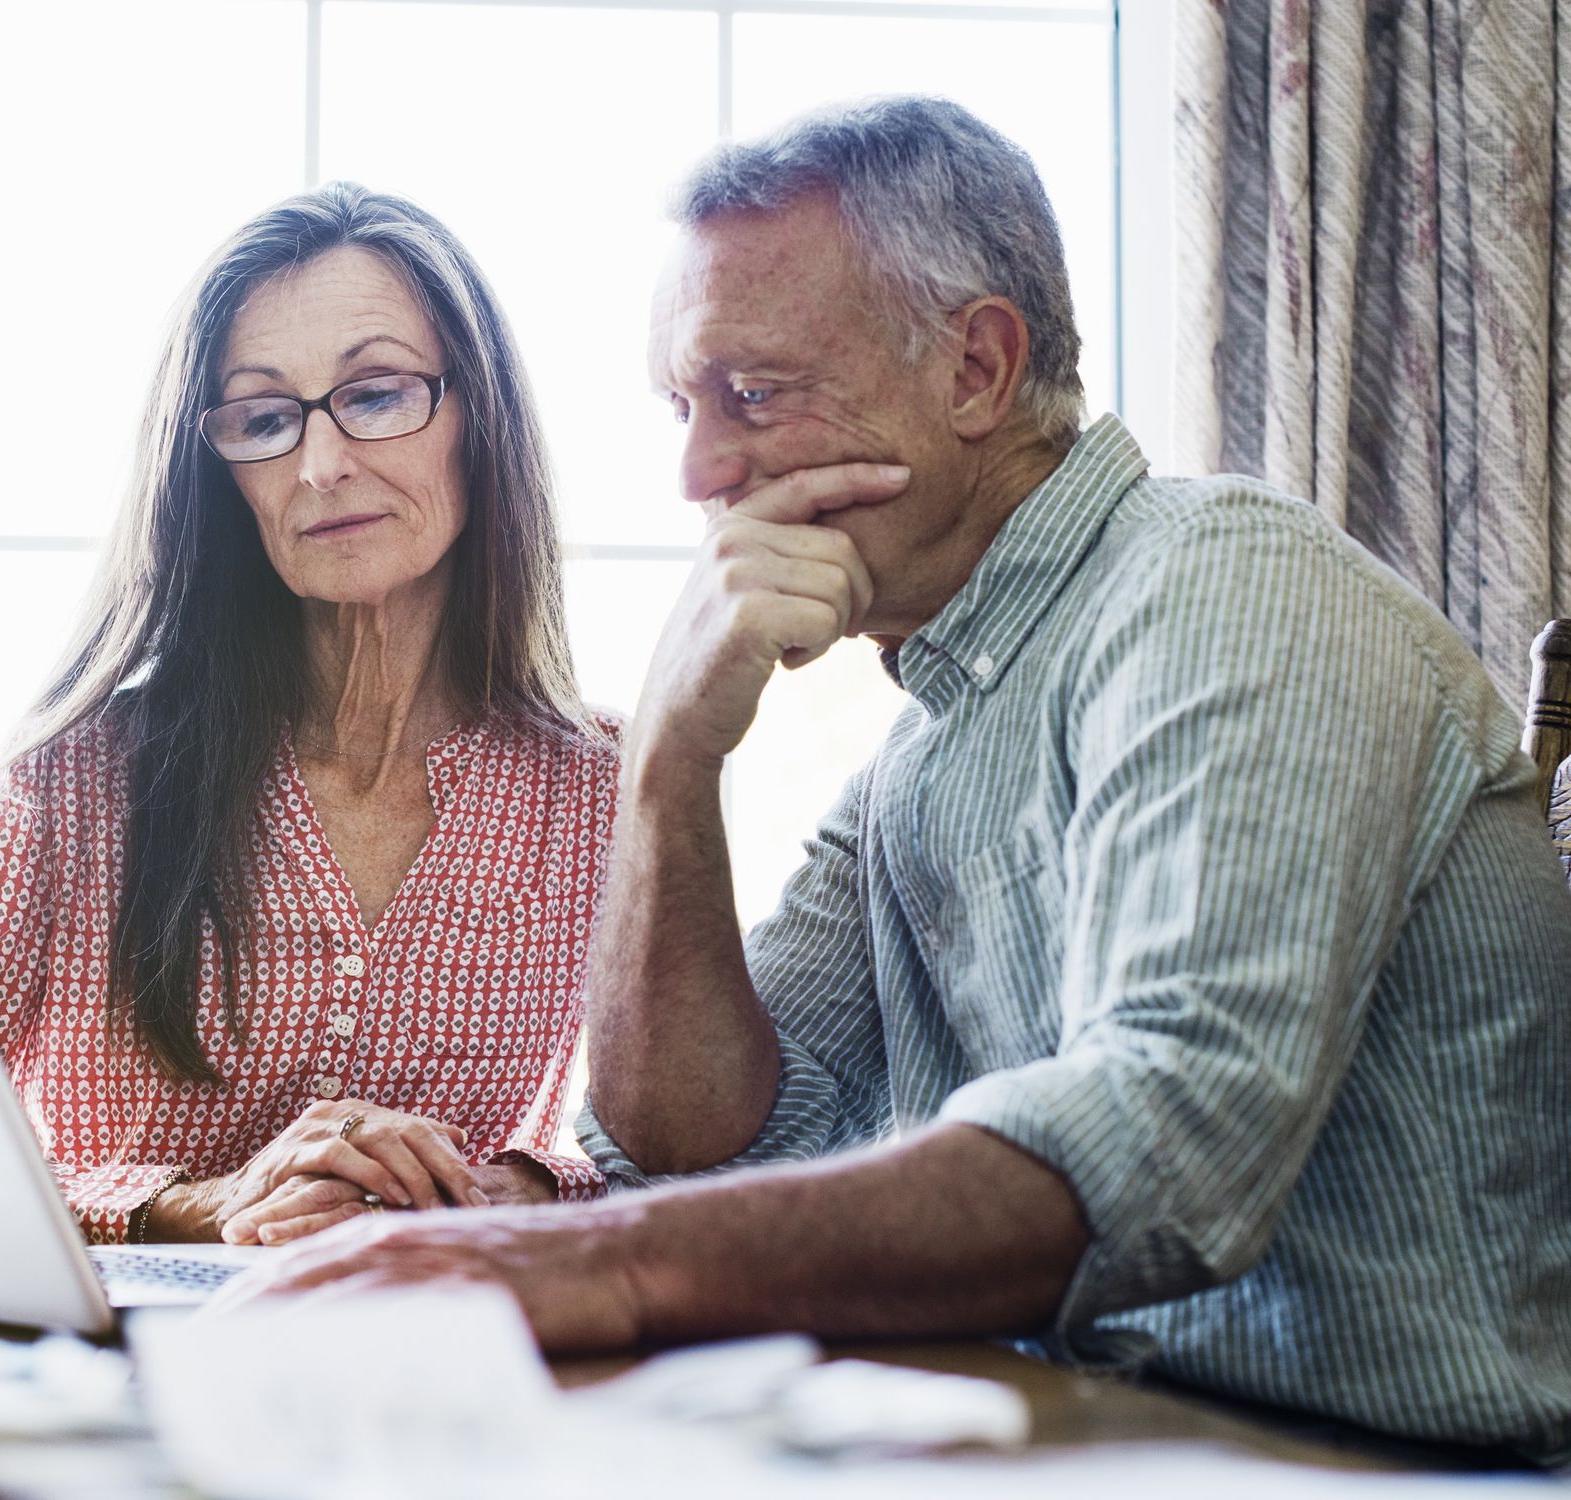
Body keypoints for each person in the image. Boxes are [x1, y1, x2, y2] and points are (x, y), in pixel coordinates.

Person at [221, 99, 1571, 1466]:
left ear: (979, 366)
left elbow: (1169, 1137)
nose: (702, 472)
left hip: (1372, 1467)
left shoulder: (1220, 580)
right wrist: (670, 760)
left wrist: (584, 1263)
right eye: (684, 407)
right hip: (1091, 1436)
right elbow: (682, 1143)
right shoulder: (925, 739)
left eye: (755, 393)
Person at [0, 184, 618, 1247]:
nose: (320, 463)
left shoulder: (604, 788)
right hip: (126, 1382)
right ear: (218, 475)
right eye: (261, 418)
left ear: (478, 417)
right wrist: (188, 1207)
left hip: (455, 1366)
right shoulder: (68, 778)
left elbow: (673, 1148)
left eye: (377, 394)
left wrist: (519, 1188)